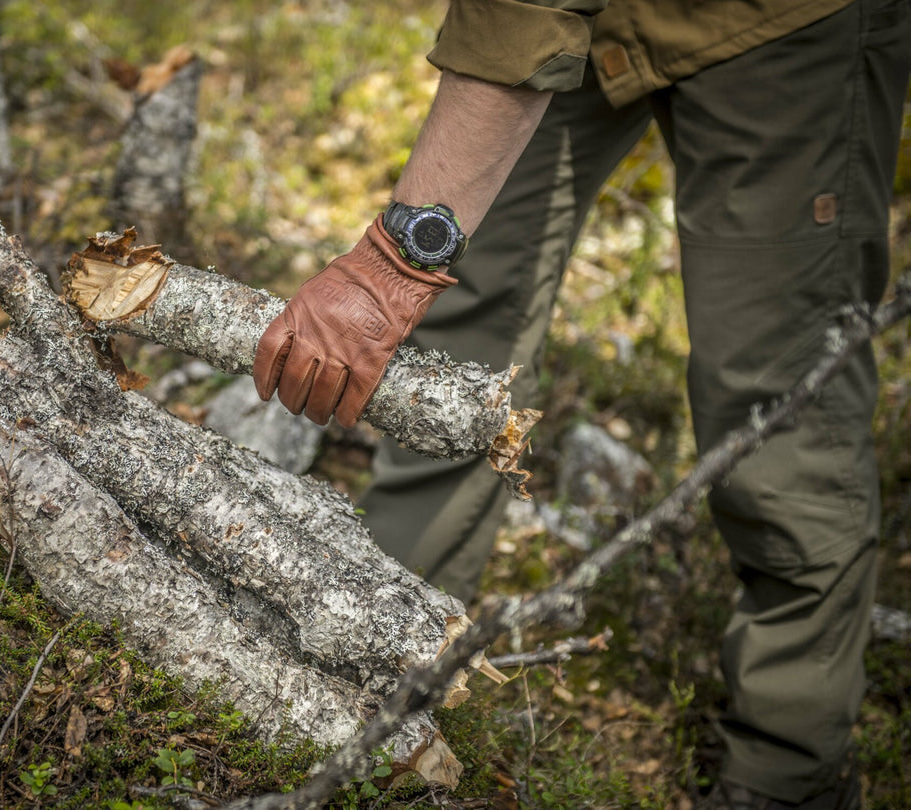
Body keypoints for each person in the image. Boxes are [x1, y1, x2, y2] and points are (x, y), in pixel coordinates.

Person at [253, 0, 911, 807]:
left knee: (775, 388)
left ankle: (791, 771)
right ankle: (382, 667)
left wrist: (390, 262)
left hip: (779, 21)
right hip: (587, 20)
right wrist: (420, 263)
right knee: (457, 326)